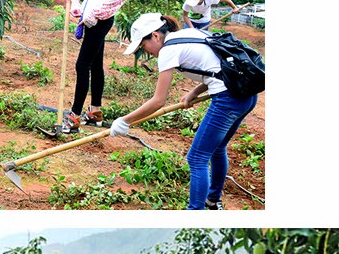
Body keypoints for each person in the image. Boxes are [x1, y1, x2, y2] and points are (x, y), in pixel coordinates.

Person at [110, 12, 258, 210]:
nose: (144, 52)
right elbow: (216, 67)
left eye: (143, 46)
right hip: (246, 95)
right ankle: (213, 201)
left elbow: (158, 101)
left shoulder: (168, 50)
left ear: (155, 35)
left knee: (197, 158)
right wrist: (194, 92)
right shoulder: (188, 34)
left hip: (229, 99)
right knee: (217, 148)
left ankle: (195, 212)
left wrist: (124, 121)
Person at [62, 0, 128, 133]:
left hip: (102, 19)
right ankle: (95, 112)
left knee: (82, 65)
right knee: (95, 64)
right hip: (88, 15)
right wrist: (76, 4)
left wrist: (97, 13)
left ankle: (73, 118)